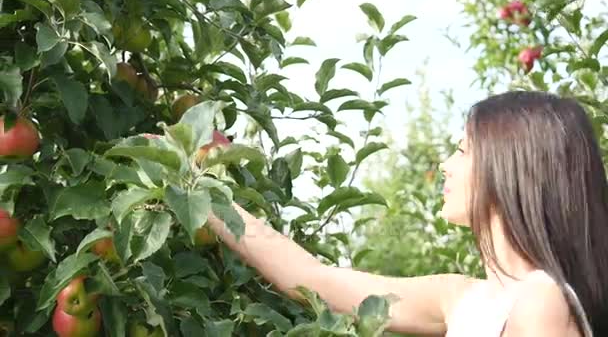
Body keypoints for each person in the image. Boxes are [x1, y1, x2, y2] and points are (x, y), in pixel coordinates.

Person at [205, 91, 608, 336]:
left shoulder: (541, 297)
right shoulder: (464, 298)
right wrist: (203, 195)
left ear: (511, 169)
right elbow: (310, 279)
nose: (447, 165)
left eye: (463, 151)